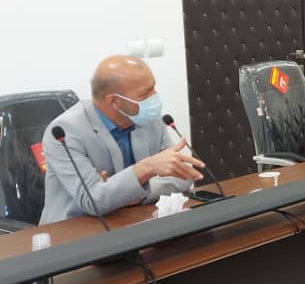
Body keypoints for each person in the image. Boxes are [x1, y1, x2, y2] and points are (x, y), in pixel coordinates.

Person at [41, 56, 204, 224]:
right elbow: (92, 201)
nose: (154, 97)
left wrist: (137, 192)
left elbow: (183, 177)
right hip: (75, 229)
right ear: (114, 101)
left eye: (153, 88)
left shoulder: (150, 119)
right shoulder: (65, 132)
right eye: (145, 94)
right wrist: (145, 169)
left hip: (135, 220)